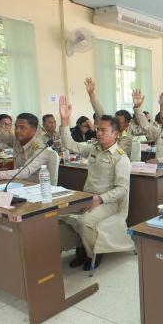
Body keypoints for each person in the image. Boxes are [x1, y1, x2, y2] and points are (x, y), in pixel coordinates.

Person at [58, 96, 130, 270]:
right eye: (97, 129)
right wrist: (65, 120)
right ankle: (80, 247)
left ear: (115, 134)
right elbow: (69, 144)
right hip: (86, 198)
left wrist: (99, 199)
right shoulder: (93, 149)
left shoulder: (121, 157)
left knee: (84, 222)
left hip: (108, 202)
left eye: (103, 130)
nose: (98, 133)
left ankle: (94, 253)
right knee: (59, 216)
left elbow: (122, 189)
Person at [0, 84, 49, 182]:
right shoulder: (16, 140)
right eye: (16, 127)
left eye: (22, 128)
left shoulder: (40, 148)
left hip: (35, 188)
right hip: (17, 185)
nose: (17, 130)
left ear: (34, 130)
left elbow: (25, 172)